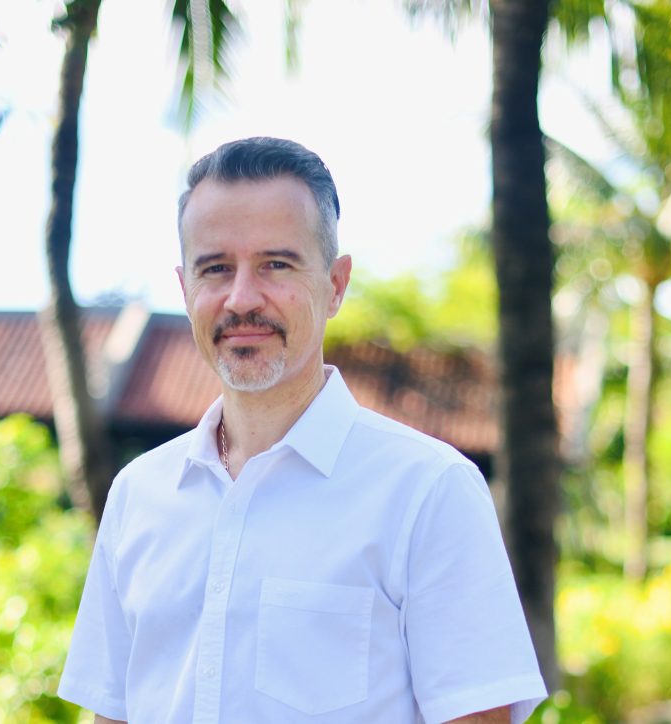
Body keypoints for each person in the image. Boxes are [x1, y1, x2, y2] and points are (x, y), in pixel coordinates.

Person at [58, 137, 547, 723]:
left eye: (277, 264)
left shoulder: (429, 491)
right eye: (216, 268)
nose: (241, 298)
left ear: (335, 284)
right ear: (186, 290)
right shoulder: (139, 494)